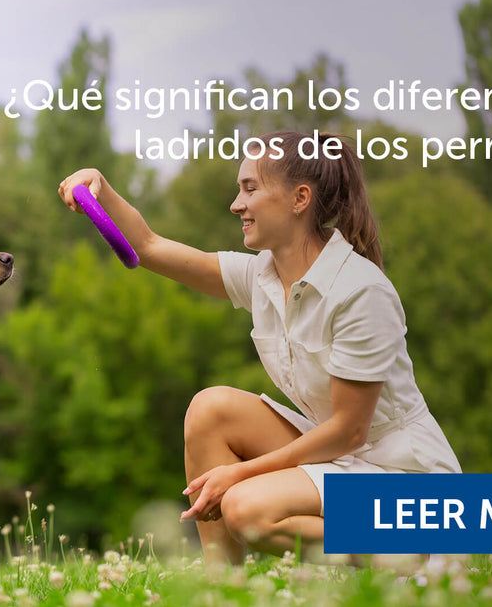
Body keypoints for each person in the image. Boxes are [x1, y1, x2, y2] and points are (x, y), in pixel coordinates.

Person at [57, 131, 461, 566]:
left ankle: (416, 554)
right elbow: (149, 246)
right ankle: (220, 591)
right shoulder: (262, 278)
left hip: (403, 479)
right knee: (211, 410)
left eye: (250, 188)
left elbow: (349, 431)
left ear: (299, 198)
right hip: (344, 462)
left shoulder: (360, 290)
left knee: (247, 509)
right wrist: (100, 184)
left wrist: (241, 472)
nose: (236, 204)